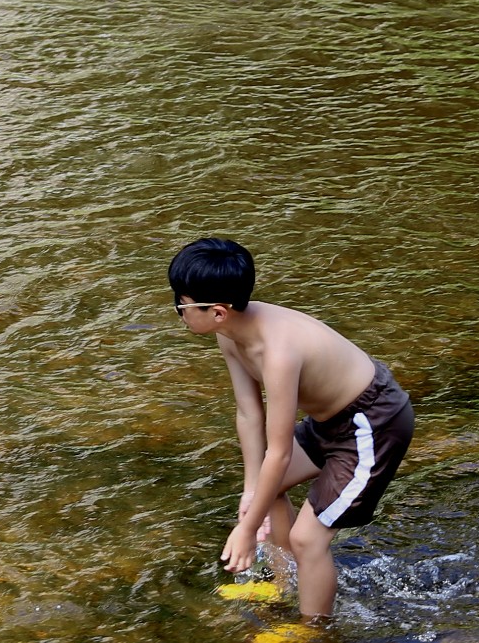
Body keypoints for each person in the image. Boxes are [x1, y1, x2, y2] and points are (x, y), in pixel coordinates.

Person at [168, 237, 414, 622]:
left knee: (307, 539)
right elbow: (249, 414)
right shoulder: (229, 331)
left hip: (373, 424)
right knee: (271, 489)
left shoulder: (278, 352)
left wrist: (247, 530)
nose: (179, 312)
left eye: (180, 304)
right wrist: (252, 494)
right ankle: (283, 583)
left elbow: (279, 452)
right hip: (330, 420)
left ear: (217, 311)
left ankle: (312, 634)